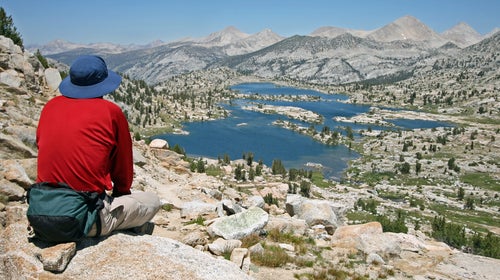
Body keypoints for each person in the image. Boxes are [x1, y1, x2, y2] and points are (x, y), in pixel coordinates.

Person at [36, 55, 161, 236]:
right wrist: (121, 194)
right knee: (152, 201)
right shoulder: (111, 112)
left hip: (40, 212)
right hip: (81, 219)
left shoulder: (50, 107)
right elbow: (123, 168)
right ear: (102, 84)